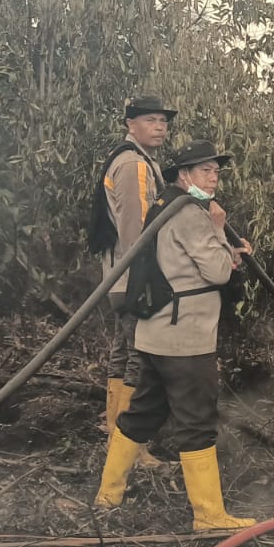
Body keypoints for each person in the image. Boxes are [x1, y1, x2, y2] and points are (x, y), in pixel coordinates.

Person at [95, 140, 257, 530]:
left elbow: (183, 264)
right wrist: (218, 232)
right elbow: (217, 272)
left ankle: (108, 495)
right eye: (204, 171)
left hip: (155, 335)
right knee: (198, 420)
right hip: (185, 339)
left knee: (143, 413)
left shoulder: (164, 205)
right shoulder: (191, 213)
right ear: (184, 175)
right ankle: (209, 515)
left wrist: (229, 251)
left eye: (216, 171)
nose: (213, 178)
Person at [86, 96, 174, 468]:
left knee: (124, 352)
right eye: (151, 120)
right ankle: (129, 447)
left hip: (120, 277)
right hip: (134, 277)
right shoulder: (134, 164)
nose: (160, 127)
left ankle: (115, 435)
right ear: (130, 125)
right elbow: (137, 233)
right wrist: (154, 278)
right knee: (140, 357)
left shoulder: (138, 161)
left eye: (163, 121)